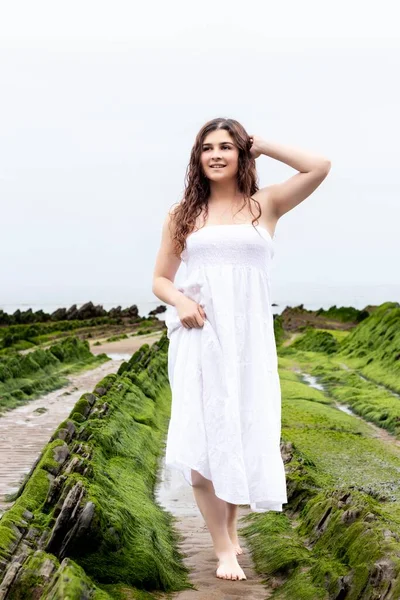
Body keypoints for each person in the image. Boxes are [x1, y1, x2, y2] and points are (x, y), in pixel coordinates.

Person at [152, 117, 331, 581]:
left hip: (249, 343)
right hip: (199, 335)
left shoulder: (265, 205)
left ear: (240, 154)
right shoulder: (183, 214)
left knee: (239, 433)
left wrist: (264, 145)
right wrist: (183, 301)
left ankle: (231, 536)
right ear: (198, 158)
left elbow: (319, 166)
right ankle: (223, 548)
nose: (216, 154)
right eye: (207, 147)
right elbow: (159, 280)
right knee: (201, 438)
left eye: (226, 147)